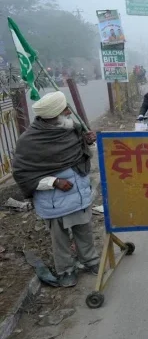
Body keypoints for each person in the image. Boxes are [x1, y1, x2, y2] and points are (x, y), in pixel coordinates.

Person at [12, 92, 100, 288]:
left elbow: (85, 154)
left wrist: (89, 140)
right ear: (54, 115)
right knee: (59, 239)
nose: (69, 112)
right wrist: (54, 182)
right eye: (65, 109)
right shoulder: (29, 141)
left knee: (84, 231)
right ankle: (66, 270)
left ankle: (91, 261)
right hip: (54, 201)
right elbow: (22, 173)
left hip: (78, 194)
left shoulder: (71, 129)